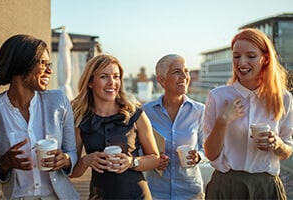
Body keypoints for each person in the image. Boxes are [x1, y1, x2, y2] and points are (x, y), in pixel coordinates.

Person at [203, 28, 293, 200]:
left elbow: (286, 152)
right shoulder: (218, 96)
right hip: (226, 187)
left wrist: (277, 143)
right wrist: (223, 121)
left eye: (251, 56)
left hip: (266, 188)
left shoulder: (284, 98)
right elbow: (210, 154)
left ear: (265, 59)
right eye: (236, 56)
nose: (242, 63)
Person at [0, 34, 79, 200]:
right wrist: (4, 163)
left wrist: (66, 160)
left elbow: (72, 152)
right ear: (22, 63)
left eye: (50, 64)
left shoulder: (58, 102)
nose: (50, 70)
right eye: (43, 63)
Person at [70, 54, 160, 199]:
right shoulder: (81, 121)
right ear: (90, 82)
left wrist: (131, 162)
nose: (112, 82)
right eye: (104, 76)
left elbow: (155, 158)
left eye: (116, 76)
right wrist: (86, 161)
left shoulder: (135, 114)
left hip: (137, 195)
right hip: (99, 196)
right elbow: (73, 173)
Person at [142, 54, 206, 199]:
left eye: (186, 71)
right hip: (156, 193)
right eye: (177, 72)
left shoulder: (200, 111)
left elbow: (206, 147)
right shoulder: (146, 112)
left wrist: (198, 156)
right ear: (161, 80)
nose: (184, 76)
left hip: (191, 193)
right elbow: (138, 149)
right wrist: (153, 161)